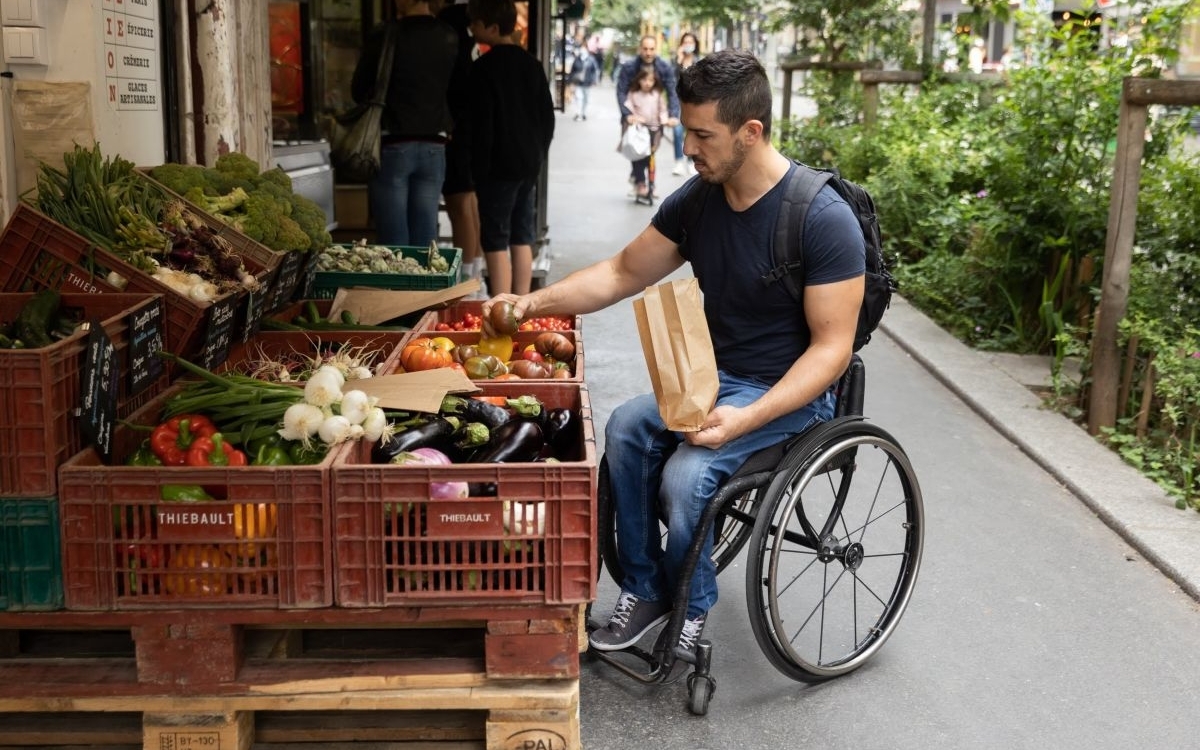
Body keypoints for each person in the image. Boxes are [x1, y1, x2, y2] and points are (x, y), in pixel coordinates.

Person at [481, 50, 866, 657]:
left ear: (751, 132)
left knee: (688, 477)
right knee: (626, 426)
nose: (687, 147)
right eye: (686, 130)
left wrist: (748, 417)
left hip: (789, 394)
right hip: (714, 378)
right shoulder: (700, 201)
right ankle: (645, 588)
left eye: (702, 135)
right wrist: (530, 304)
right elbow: (620, 272)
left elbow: (831, 350)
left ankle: (689, 603)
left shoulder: (822, 219)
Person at [351, 0, 462, 247]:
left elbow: (359, 89)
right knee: (426, 234)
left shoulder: (385, 34)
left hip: (393, 140)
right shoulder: (448, 35)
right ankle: (423, 273)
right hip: (435, 142)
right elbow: (457, 89)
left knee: (393, 238)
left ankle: (398, 274)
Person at [466, 0, 555, 295]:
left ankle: (501, 305)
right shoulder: (532, 65)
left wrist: (478, 169)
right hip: (528, 165)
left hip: (496, 168)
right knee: (522, 234)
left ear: (492, 28)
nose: (471, 28)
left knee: (495, 237)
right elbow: (547, 118)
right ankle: (522, 304)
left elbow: (481, 125)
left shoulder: (483, 68)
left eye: (476, 23)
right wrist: (538, 154)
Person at [437, 0, 486, 297]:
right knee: (470, 203)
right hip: (473, 133)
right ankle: (475, 275)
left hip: (457, 133)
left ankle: (466, 280)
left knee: (459, 205)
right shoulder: (471, 44)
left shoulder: (451, 34)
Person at [615, 35, 679, 188]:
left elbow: (672, 92)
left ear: (656, 49)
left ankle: (637, 176)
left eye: (651, 49)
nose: (648, 52)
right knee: (636, 147)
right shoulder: (629, 67)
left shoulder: (664, 68)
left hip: (655, 119)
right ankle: (641, 182)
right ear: (640, 49)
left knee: (650, 151)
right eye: (645, 49)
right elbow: (621, 92)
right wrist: (627, 115)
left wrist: (672, 115)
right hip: (634, 117)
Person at [622, 67, 673, 198]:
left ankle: (651, 184)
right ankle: (640, 183)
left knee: (650, 158)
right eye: (644, 80)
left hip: (655, 131)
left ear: (654, 81)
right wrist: (633, 117)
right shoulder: (633, 94)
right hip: (640, 132)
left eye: (650, 80)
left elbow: (663, 110)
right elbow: (628, 109)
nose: (647, 83)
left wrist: (665, 119)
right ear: (639, 80)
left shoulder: (657, 95)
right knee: (638, 157)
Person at [671, 32, 701, 176]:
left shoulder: (699, 61)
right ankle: (678, 162)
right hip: (678, 100)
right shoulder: (677, 61)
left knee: (692, 130)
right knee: (677, 130)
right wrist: (678, 60)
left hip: (694, 101)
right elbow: (671, 79)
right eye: (685, 42)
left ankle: (690, 162)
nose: (688, 45)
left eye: (691, 42)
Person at [569, 37, 602, 121]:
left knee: (586, 98)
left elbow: (595, 70)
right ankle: (579, 113)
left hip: (587, 82)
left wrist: (594, 80)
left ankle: (583, 113)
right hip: (578, 82)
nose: (582, 49)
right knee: (579, 97)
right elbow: (573, 70)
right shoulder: (577, 59)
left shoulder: (591, 59)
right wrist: (570, 81)